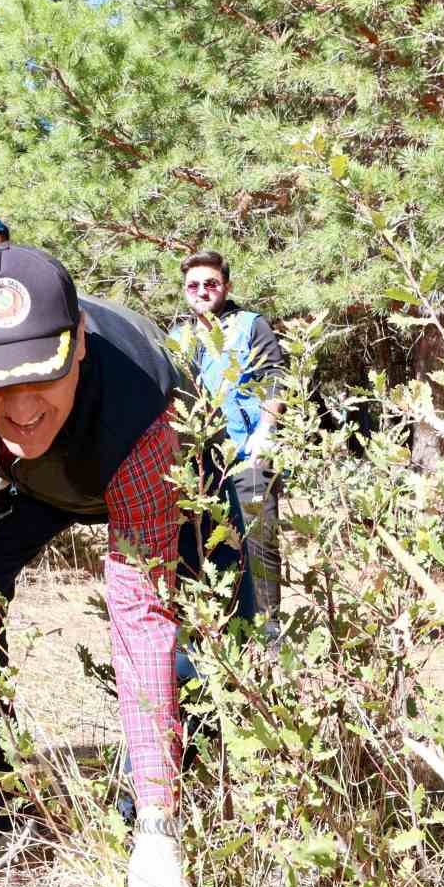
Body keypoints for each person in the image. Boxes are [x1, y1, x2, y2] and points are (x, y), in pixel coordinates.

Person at [0, 243, 230, 887]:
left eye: (41, 377)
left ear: (79, 342)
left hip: (148, 465)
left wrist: (158, 823)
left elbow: (140, 617)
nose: (22, 408)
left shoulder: (145, 410)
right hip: (33, 482)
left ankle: (156, 818)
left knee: (209, 636)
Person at [178, 250, 286, 639]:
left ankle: (269, 640)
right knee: (202, 552)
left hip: (247, 458)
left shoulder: (250, 325)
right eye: (193, 285)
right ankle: (215, 641)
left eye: (211, 283)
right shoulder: (178, 337)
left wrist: (265, 433)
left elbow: (276, 376)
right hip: (199, 467)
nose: (202, 291)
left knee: (258, 549)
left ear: (226, 286)